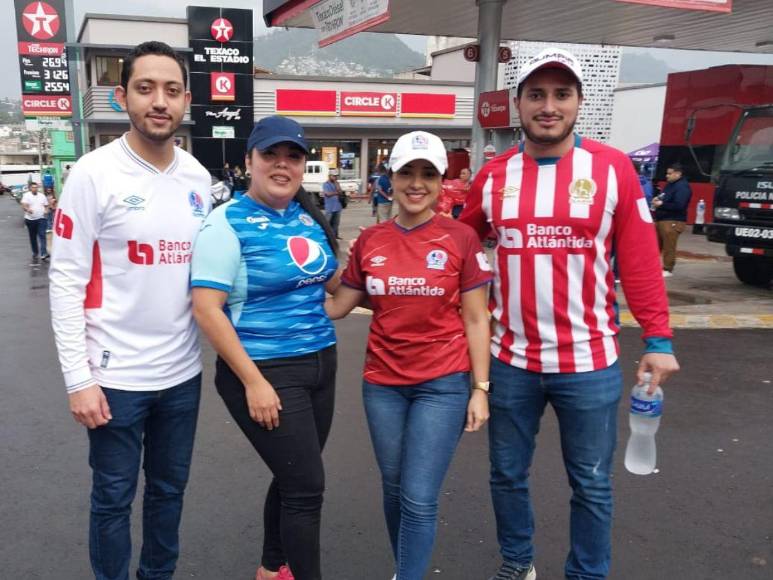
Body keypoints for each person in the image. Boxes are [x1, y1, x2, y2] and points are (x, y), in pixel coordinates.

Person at [459, 47, 680, 580]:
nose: (548, 106)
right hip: (510, 361)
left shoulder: (613, 169)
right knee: (506, 474)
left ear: (579, 103)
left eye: (561, 94)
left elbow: (640, 261)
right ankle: (518, 564)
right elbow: (460, 246)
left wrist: (659, 340)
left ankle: (587, 573)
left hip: (589, 362)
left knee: (592, 482)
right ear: (518, 104)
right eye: (536, 94)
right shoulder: (493, 176)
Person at [48, 41, 211, 580]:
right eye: (145, 89)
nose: (159, 101)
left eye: (171, 90)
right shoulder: (93, 173)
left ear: (186, 101)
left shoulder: (197, 178)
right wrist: (79, 379)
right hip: (114, 378)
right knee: (113, 498)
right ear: (122, 97)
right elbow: (66, 280)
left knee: (169, 492)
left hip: (182, 376)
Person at [326, 131, 493, 580]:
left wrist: (480, 389)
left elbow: (477, 319)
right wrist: (294, 275)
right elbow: (339, 305)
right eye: (406, 173)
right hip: (382, 385)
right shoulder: (371, 240)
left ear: (441, 182)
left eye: (428, 174)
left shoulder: (461, 238)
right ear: (391, 179)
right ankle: (406, 568)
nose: (416, 183)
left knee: (419, 496)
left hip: (443, 384)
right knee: (394, 487)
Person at [191, 115, 339, 580]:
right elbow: (207, 310)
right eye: (270, 155)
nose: (282, 164)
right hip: (266, 370)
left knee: (294, 476)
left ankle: (273, 567)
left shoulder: (308, 218)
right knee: (307, 487)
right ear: (248, 161)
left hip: (321, 362)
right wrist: (253, 382)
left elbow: (338, 286)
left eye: (292, 156)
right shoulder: (225, 223)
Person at [653, 162, 692, 277]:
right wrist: (657, 199)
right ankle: (653, 266)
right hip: (662, 219)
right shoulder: (670, 185)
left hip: (673, 221)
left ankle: (667, 268)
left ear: (678, 174)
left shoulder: (682, 187)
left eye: (670, 173)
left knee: (669, 246)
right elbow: (664, 197)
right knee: (656, 245)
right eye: (667, 173)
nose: (667, 176)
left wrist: (662, 204)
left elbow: (680, 205)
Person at [21, 181, 49, 265]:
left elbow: (46, 205)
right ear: (30, 188)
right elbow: (24, 205)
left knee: (42, 235)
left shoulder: (42, 196)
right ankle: (35, 252)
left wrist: (46, 210)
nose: (35, 189)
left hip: (41, 219)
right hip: (30, 220)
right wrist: (27, 209)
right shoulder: (26, 195)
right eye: (33, 187)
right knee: (33, 237)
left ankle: (43, 253)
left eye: (36, 187)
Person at [322, 168, 344, 239]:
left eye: (336, 176)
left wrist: (336, 185)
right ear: (329, 176)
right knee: (327, 222)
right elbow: (327, 194)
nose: (335, 177)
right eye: (334, 176)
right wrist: (336, 193)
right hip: (330, 207)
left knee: (336, 223)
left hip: (337, 206)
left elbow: (340, 192)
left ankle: (335, 236)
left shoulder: (337, 183)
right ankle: (326, 236)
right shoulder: (326, 184)